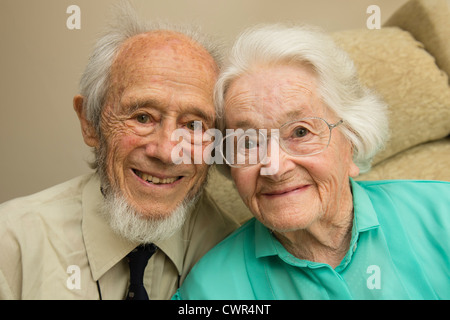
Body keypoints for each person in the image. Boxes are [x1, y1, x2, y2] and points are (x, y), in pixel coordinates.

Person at [173, 24, 450, 299]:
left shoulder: (442, 213)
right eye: (248, 143)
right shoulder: (209, 291)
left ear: (351, 140)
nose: (275, 167)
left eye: (300, 132)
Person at [0, 4, 240, 300]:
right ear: (89, 122)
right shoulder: (11, 243)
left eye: (192, 125)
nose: (166, 152)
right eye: (142, 117)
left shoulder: (233, 250)